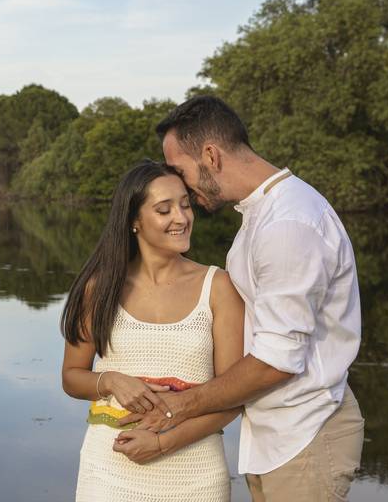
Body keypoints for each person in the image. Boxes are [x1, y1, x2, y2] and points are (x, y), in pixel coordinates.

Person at [121, 96, 363, 501]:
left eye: (181, 170)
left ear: (211, 155)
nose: (183, 187)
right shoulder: (262, 214)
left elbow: (277, 361)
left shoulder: (287, 224)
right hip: (277, 436)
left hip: (307, 434)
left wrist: (178, 407)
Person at [61, 160, 245, 501]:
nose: (181, 218)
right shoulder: (99, 288)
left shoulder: (218, 287)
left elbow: (233, 396)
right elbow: (71, 377)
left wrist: (162, 443)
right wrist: (111, 380)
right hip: (109, 471)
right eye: (164, 210)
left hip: (196, 475)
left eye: (185, 205)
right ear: (134, 221)